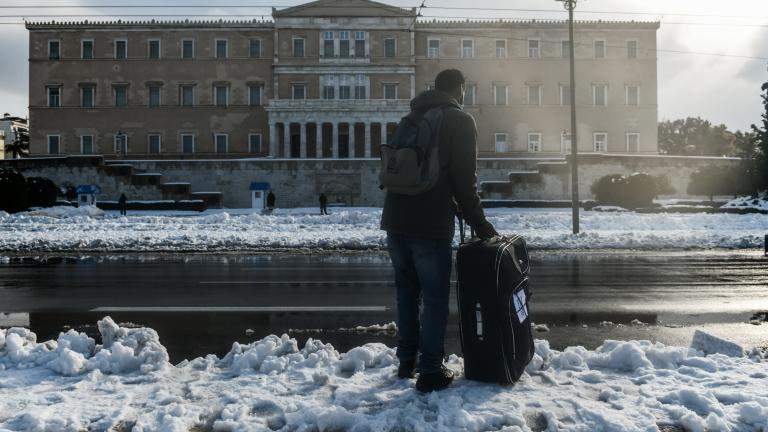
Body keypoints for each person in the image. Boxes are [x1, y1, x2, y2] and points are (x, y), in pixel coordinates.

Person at [380, 69, 498, 393]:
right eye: (464, 91)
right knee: (433, 299)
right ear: (460, 89)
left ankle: (406, 361)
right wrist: (481, 223)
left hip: (394, 219)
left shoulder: (411, 117)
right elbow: (464, 181)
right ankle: (430, 369)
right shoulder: (460, 121)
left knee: (406, 294)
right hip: (429, 225)